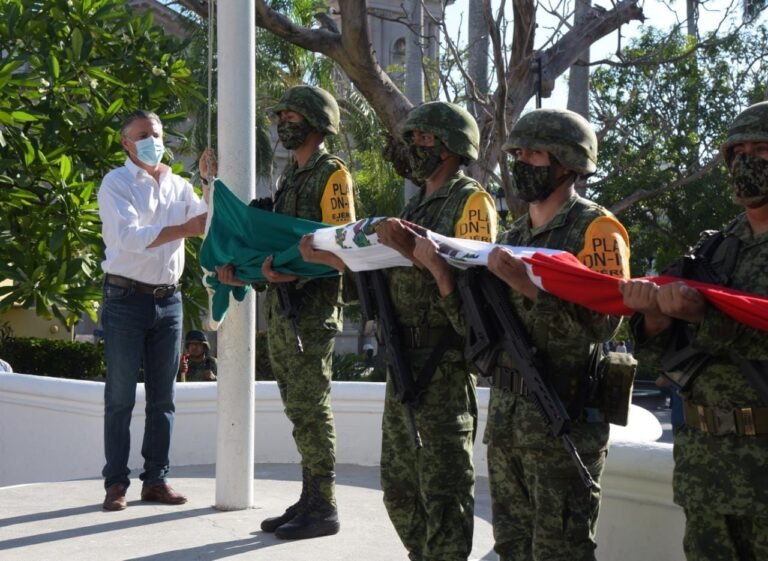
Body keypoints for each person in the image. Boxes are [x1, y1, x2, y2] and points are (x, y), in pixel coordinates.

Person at [301, 101, 498, 561]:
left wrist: (412, 251)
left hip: (444, 369)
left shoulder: (471, 202)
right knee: (399, 488)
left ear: (451, 147)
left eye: (423, 138)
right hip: (402, 365)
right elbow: (381, 282)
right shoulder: (419, 205)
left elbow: (475, 293)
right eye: (411, 138)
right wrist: (329, 258)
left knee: (444, 493)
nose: (412, 147)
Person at [441, 108, 628, 561]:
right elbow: (479, 330)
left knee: (560, 551)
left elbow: (605, 322)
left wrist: (528, 287)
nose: (522, 161)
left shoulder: (596, 230)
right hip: (508, 424)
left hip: (563, 421)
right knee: (511, 549)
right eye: (518, 152)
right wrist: (440, 274)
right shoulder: (513, 234)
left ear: (566, 163)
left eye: (535, 153)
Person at [619, 101, 768, 561]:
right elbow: (664, 357)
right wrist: (656, 320)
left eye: (760, 150)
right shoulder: (716, 247)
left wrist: (709, 316)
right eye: (736, 153)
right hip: (707, 468)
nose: (745, 162)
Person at [217, 85, 356, 540]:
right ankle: (310, 496)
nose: (282, 122)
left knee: (312, 407)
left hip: (312, 310)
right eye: (281, 115)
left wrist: (286, 265)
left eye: (292, 115)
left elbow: (339, 242)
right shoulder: (291, 178)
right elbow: (277, 244)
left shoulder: (331, 173)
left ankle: (325, 505)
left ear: (316, 121)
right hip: (284, 306)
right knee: (299, 409)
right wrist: (252, 271)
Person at [98, 109, 212, 511]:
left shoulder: (177, 185)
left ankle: (156, 480)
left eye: (157, 133)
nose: (153, 140)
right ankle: (116, 484)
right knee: (120, 397)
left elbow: (205, 218)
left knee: (164, 398)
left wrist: (207, 180)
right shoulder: (116, 183)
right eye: (143, 134)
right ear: (126, 143)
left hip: (169, 300)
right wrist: (185, 229)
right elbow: (129, 238)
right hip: (125, 300)